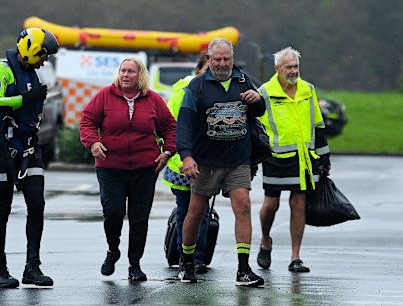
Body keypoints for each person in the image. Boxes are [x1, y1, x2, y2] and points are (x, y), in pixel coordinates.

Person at [176, 38, 266, 287]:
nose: (222, 63)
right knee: (196, 211)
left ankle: (243, 268)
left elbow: (259, 111)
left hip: (238, 159)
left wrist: (258, 100)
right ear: (209, 59)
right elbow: (183, 125)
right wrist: (186, 156)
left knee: (244, 206)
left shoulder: (242, 80)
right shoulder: (197, 87)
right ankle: (186, 262)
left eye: (226, 59)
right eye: (217, 59)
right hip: (205, 161)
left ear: (233, 58)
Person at [79, 57, 176, 281]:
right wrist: (93, 142)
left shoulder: (153, 100)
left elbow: (170, 127)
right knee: (113, 213)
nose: (125, 75)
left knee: (139, 218)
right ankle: (113, 250)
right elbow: (87, 121)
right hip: (110, 166)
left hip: (144, 168)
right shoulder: (104, 95)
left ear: (140, 75)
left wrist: (167, 151)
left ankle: (135, 264)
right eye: (123, 71)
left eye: (131, 71)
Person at [0, 27, 59, 288]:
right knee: (2, 207)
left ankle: (32, 267)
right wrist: (28, 98)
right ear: (32, 51)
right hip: (0, 146)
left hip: (28, 147)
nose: (44, 61)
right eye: (44, 55)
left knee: (36, 204)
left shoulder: (33, 74)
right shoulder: (2, 71)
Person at [256, 46, 331, 273]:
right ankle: (265, 240)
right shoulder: (265, 92)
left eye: (296, 66)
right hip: (275, 157)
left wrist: (324, 155)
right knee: (271, 205)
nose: (293, 71)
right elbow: (257, 125)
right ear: (277, 68)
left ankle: (295, 257)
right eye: (289, 67)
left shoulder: (308, 89)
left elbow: (318, 124)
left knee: (298, 204)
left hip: (304, 157)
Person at [161, 53, 211, 273]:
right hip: (183, 161)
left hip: (207, 161)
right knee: (187, 210)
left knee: (202, 211)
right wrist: (180, 154)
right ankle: (190, 257)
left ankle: (195, 256)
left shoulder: (218, 90)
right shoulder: (186, 90)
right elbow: (173, 125)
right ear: (198, 70)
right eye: (207, 68)